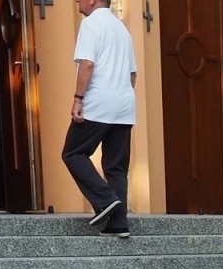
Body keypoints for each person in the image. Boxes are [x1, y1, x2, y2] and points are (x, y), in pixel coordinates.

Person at [64, 0, 138, 238]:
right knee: (116, 167)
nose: (76, 1)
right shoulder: (122, 28)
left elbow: (87, 64)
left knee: (73, 153)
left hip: (98, 103)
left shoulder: (91, 24)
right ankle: (118, 223)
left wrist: (78, 98)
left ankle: (105, 200)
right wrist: (120, 96)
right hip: (124, 106)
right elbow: (132, 73)